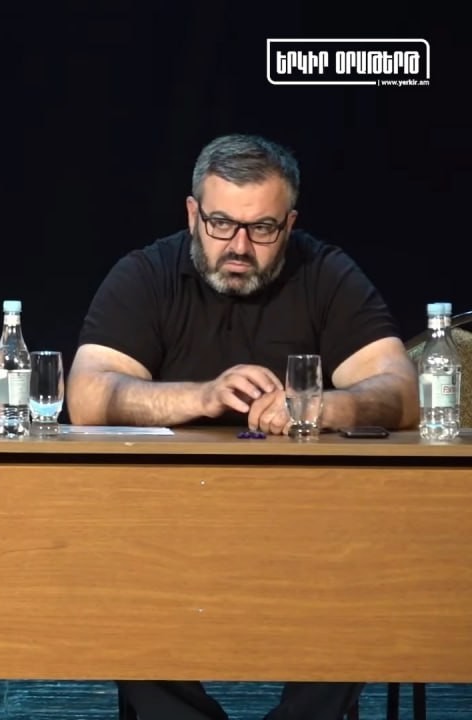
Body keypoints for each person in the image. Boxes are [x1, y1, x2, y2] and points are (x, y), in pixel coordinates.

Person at [66, 133, 418, 720]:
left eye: (263, 229)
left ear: (290, 223)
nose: (239, 246)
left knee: (368, 575)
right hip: (165, 524)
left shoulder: (325, 272)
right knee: (111, 577)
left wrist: (316, 406)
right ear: (192, 214)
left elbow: (400, 391)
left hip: (308, 526)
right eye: (221, 224)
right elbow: (86, 395)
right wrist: (201, 396)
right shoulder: (147, 273)